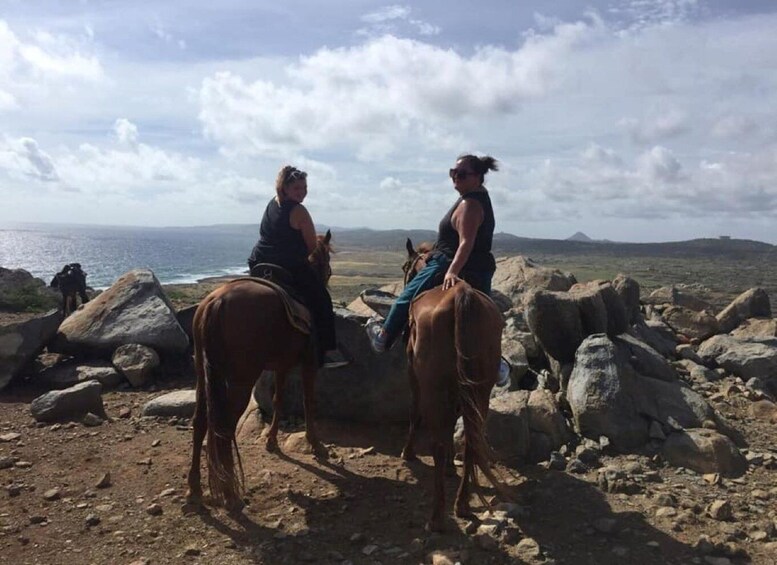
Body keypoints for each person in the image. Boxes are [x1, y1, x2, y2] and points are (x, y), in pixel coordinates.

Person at [366, 154, 511, 385]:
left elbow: (466, 242)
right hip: (480, 270)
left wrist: (452, 271)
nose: (455, 177)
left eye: (461, 174)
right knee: (486, 321)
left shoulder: (470, 204)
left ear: (478, 178)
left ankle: (384, 336)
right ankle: (497, 365)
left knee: (407, 297)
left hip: (447, 262)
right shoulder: (477, 198)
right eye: (452, 172)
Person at [247, 165, 348, 369]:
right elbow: (311, 246)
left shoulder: (271, 204)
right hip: (287, 265)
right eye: (297, 188)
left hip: (259, 261)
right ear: (285, 188)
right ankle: (327, 352)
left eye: (304, 188)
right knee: (322, 300)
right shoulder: (299, 210)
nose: (302, 193)